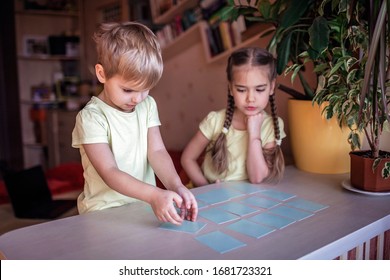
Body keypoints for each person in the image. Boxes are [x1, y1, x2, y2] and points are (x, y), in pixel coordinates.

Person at [72, 22, 197, 225]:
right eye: (128, 90)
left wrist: (176, 185)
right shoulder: (91, 118)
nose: (137, 99)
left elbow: (156, 152)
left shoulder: (147, 105)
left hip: (142, 205)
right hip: (103, 212)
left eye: (146, 89)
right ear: (102, 74)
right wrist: (154, 195)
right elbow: (109, 172)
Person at [181, 47, 286, 187]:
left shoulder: (273, 125)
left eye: (259, 89)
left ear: (271, 87)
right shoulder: (215, 121)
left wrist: (254, 133)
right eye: (241, 90)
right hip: (207, 196)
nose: (250, 98)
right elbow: (187, 158)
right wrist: (206, 188)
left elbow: (257, 177)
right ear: (230, 88)